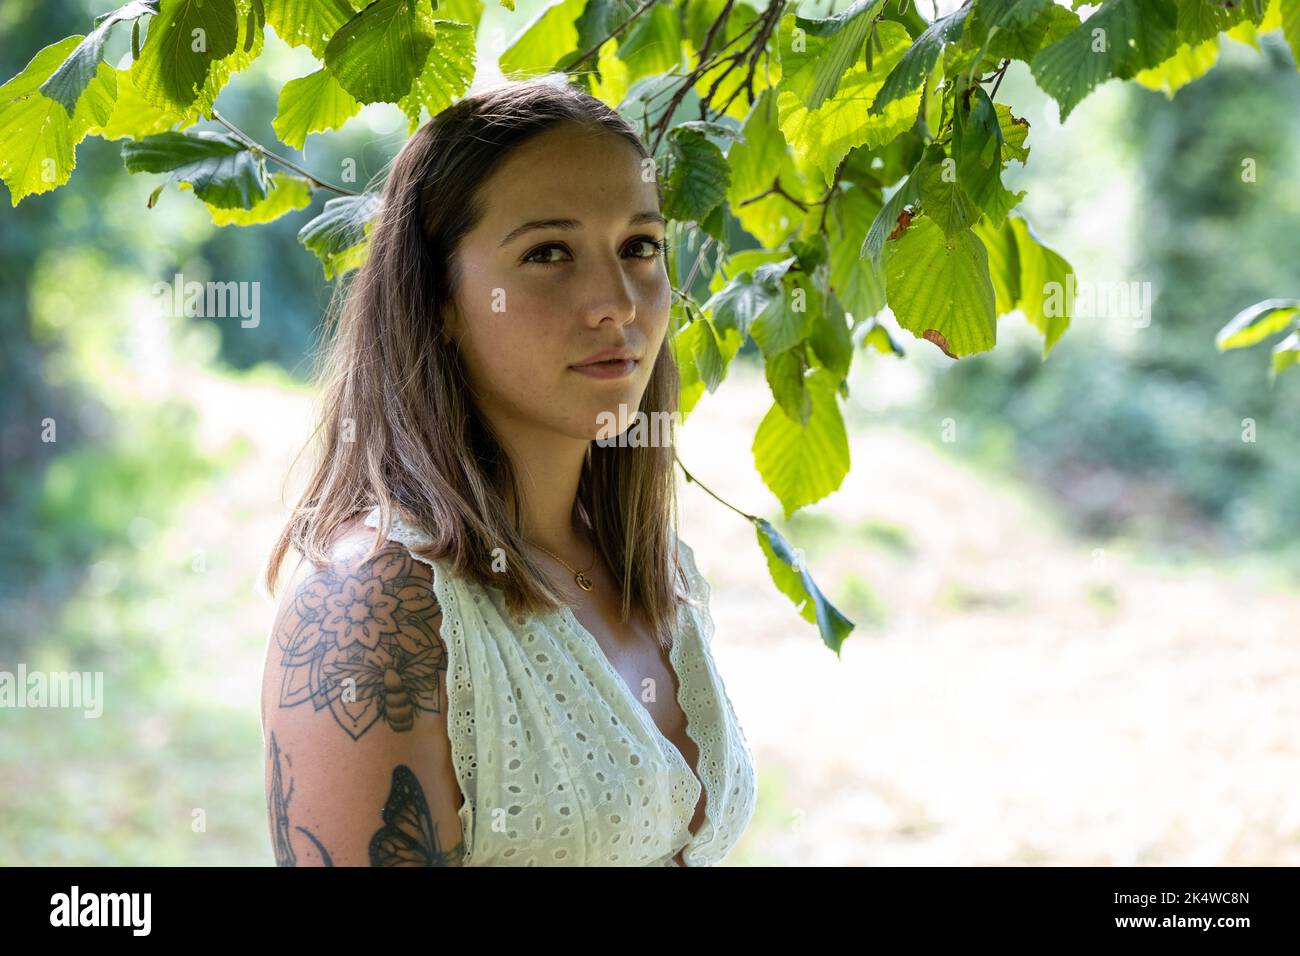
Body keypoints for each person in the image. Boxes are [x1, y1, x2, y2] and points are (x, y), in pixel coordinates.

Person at [259, 75, 756, 867]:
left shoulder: (646, 566)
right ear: (443, 303)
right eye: (548, 253)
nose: (617, 302)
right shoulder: (380, 606)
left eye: (641, 246)